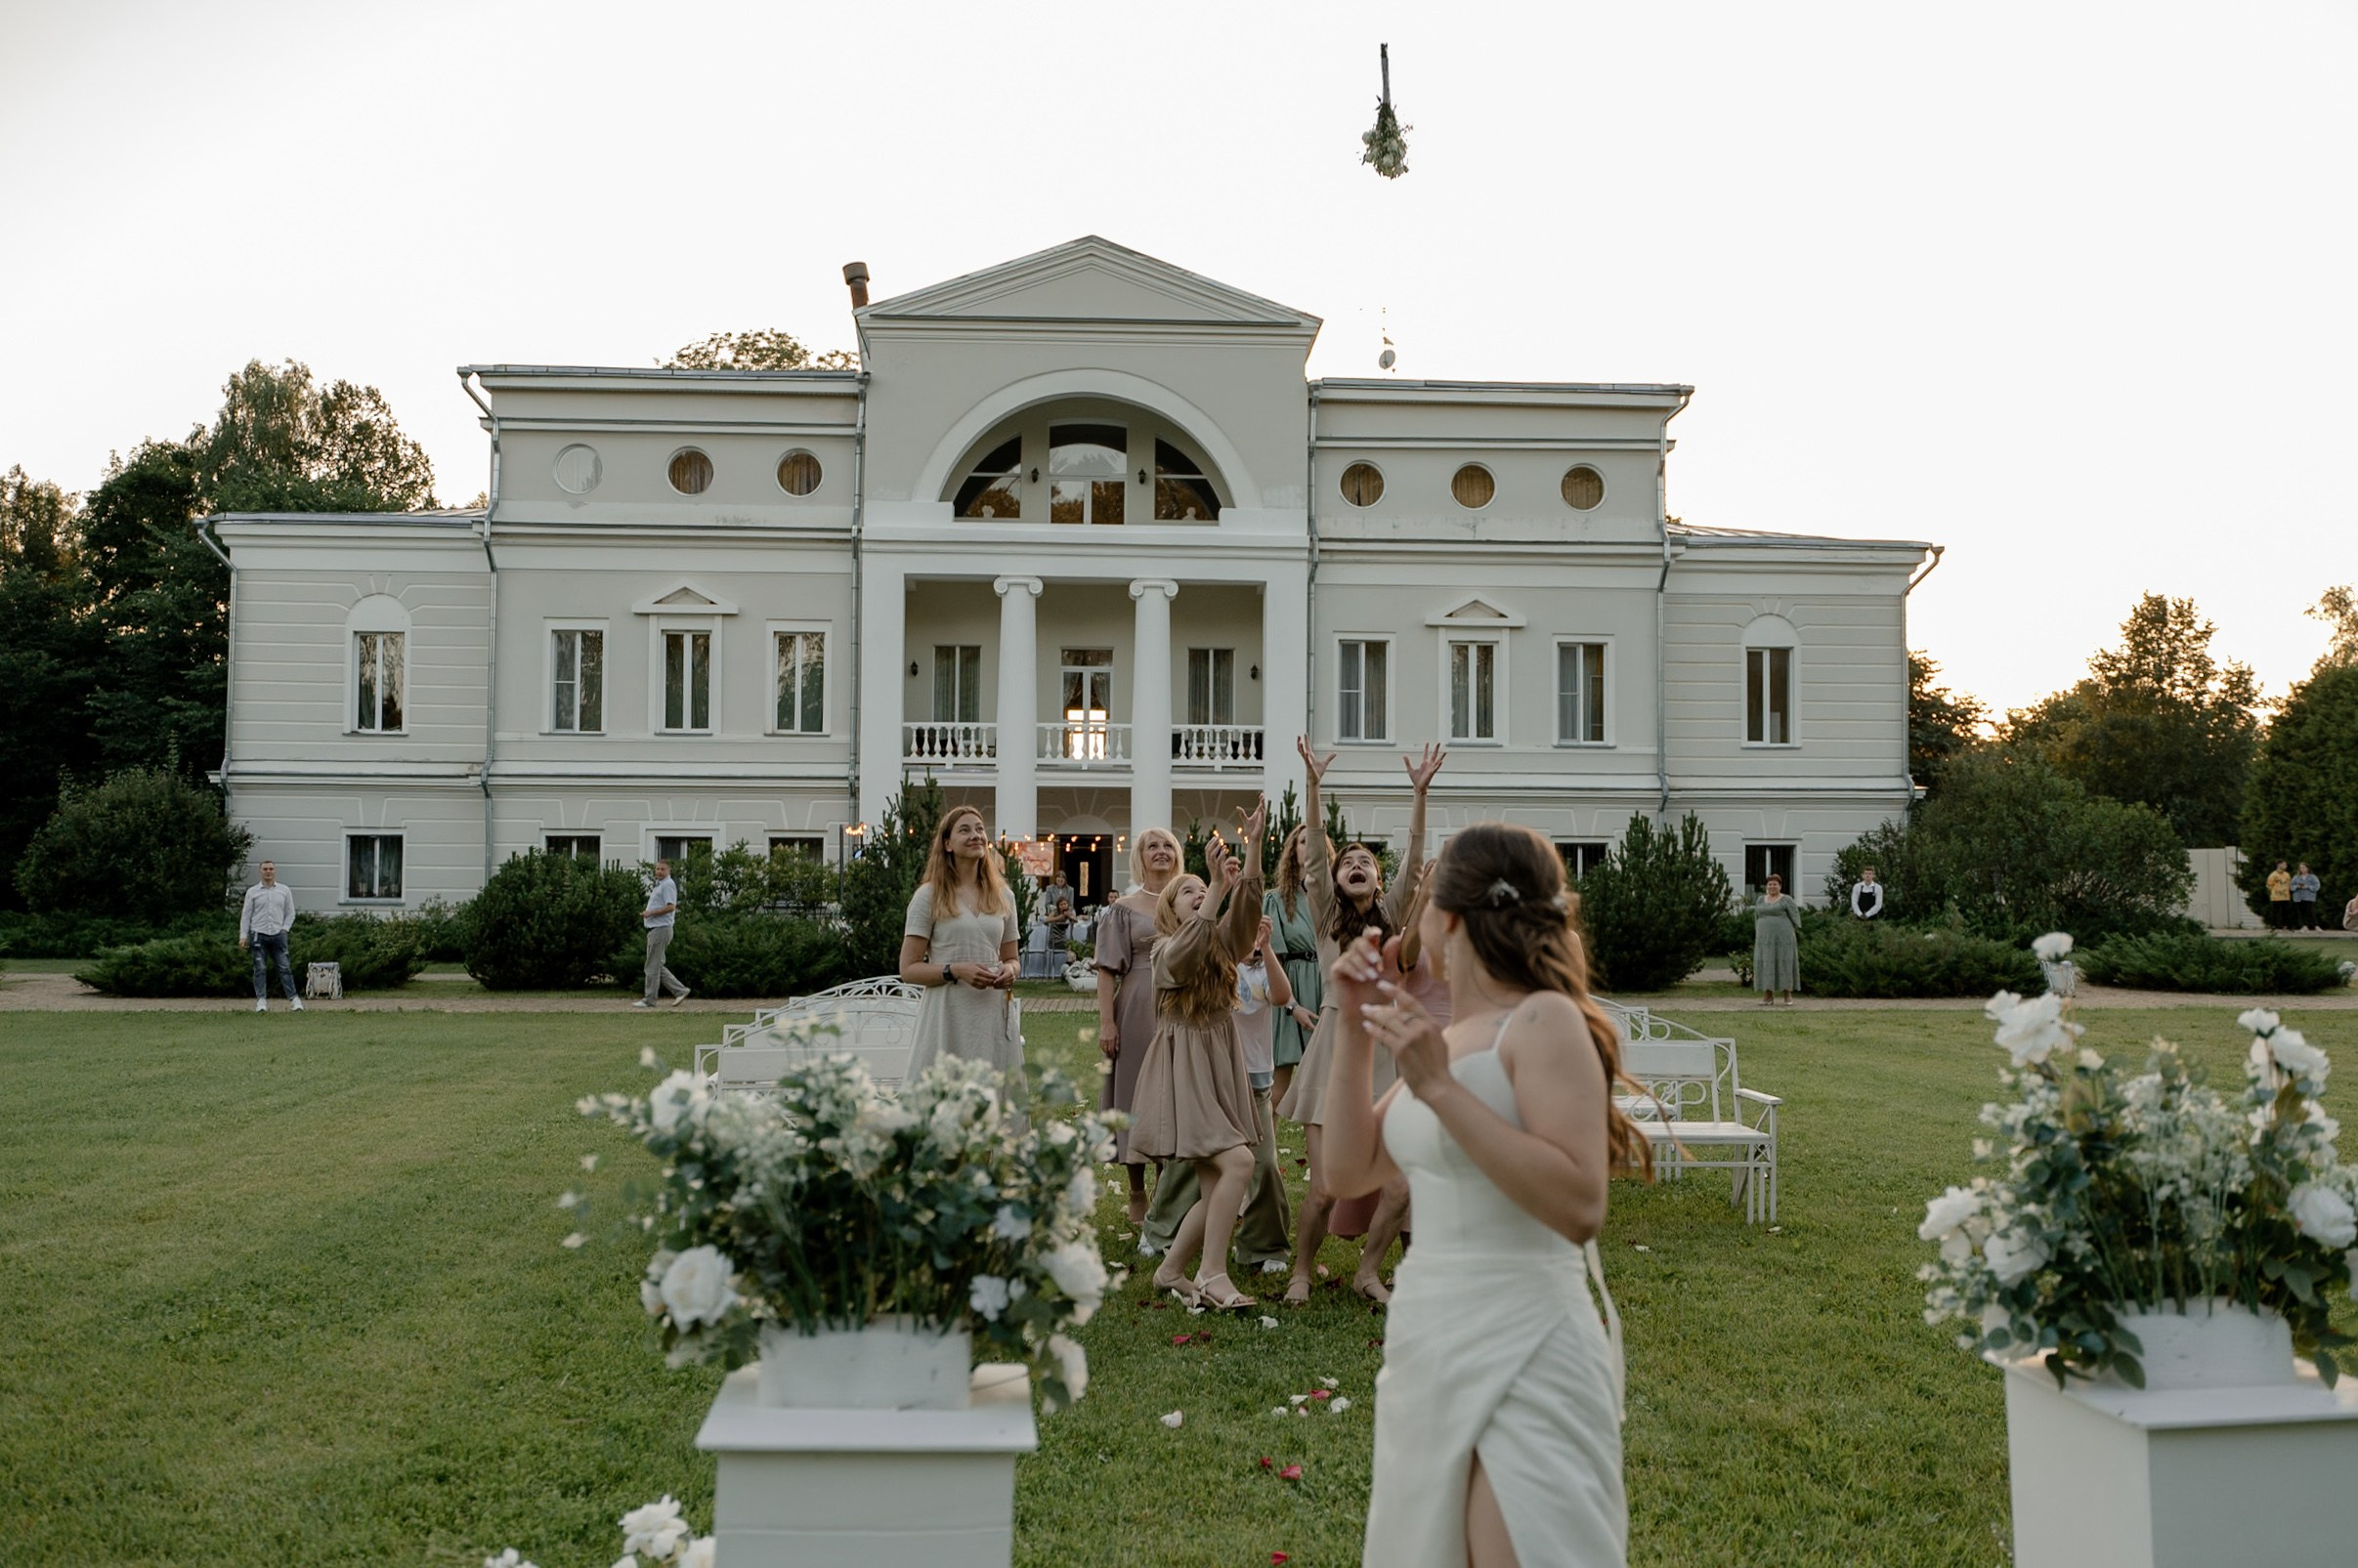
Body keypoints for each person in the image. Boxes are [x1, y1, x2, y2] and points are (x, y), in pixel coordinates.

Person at [1323, 823, 1650, 1568]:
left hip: (1524, 1334)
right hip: (1429, 1336)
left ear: (1447, 917)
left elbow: (1578, 1204)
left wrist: (1436, 1086)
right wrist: (1350, 1027)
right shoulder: (1451, 1034)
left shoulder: (1542, 1020)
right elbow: (1348, 1172)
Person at [1277, 738, 1442, 1307]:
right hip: (1333, 1049)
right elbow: (1316, 855)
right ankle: (1301, 1269)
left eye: (1365, 863)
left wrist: (1419, 793)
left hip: (1389, 1056)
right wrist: (1314, 786)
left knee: (1400, 1184)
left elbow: (1416, 862)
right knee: (1323, 1188)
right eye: (1347, 862)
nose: (1352, 866)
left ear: (1379, 880)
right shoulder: (1325, 918)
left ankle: (1368, 1272)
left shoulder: (1395, 917)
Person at [1128, 798, 1271, 1311]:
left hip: (1217, 1059)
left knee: (1216, 1186)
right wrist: (1213, 886)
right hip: (1184, 1067)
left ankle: (1170, 1271)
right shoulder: (1162, 950)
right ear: (1170, 909)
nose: (1197, 894)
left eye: (1200, 888)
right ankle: (1212, 1273)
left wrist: (1252, 849)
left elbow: (1247, 913)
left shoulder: (1218, 945)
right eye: (1186, 891)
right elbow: (1188, 949)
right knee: (1237, 1163)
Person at [899, 806, 1022, 1096]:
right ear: (947, 843)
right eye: (964, 830)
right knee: (945, 1104)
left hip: (992, 1012)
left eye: (979, 829)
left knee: (994, 1104)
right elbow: (908, 969)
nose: (975, 835)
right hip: (947, 1014)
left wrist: (1010, 971)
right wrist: (954, 970)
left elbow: (1012, 958)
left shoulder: (1004, 895)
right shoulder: (928, 896)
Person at [1097, 826, 1182, 1230]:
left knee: (1173, 1093)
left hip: (1182, 1007)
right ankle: (1136, 1188)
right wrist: (1107, 1022)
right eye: (1153, 846)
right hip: (1135, 1007)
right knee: (1133, 1093)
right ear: (1140, 857)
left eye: (1168, 846)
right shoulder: (1124, 908)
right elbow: (1105, 972)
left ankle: (1168, 1188)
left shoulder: (1189, 902)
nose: (1161, 852)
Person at [1231, 913, 1296, 1276]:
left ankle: (1266, 1242)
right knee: (1192, 1161)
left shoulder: (1258, 972)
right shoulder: (1220, 962)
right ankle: (1166, 1231)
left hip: (1256, 1081)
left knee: (1265, 1164)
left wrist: (1267, 949)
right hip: (1218, 1079)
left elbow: (1283, 995)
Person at [1265, 826, 1323, 1109]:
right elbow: (1272, 958)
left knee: (1329, 1082)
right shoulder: (1275, 900)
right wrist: (1291, 1005)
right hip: (1290, 985)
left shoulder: (1336, 897)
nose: (1311, 846)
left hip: (1328, 985)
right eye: (1304, 841)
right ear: (1293, 851)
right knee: (1279, 1084)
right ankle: (1265, 1152)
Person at [237, 859, 303, 1014]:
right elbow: (246, 915)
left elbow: (290, 913)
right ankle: (261, 1001)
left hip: (278, 935)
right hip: (258, 934)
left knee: (284, 967)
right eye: (265, 869)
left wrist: (284, 929)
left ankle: (294, 1000)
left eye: (271, 869)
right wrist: (243, 935)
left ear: (275, 871)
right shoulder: (252, 892)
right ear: (260, 871)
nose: (268, 872)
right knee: (259, 968)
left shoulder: (284, 890)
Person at [633, 859, 692, 1009]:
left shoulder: (668, 885)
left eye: (662, 869)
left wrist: (650, 913)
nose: (659, 871)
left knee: (651, 965)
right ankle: (680, 990)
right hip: (656, 929)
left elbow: (671, 907)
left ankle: (649, 999)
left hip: (661, 928)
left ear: (668, 871)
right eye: (657, 868)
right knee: (656, 964)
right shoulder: (661, 885)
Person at [1752, 874, 1801, 1006]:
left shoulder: (1787, 900)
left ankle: (1787, 994)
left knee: (1784, 962)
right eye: (1770, 884)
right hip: (1764, 939)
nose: (1772, 886)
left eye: (1775, 884)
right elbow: (1756, 916)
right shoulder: (1760, 900)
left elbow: (1795, 917)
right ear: (1766, 886)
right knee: (1766, 963)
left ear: (1780, 886)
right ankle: (1768, 995)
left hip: (1783, 938)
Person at [1043, 869, 1077, 955]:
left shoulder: (1070, 890)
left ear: (1065, 880)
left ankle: (1071, 963)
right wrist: (1057, 912)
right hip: (1054, 912)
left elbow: (1071, 905)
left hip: (1066, 915)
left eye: (1062, 879)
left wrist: (1068, 914)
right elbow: (1047, 904)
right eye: (1058, 878)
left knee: (1074, 945)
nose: (1060, 880)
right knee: (1070, 946)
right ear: (1055, 879)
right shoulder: (1050, 888)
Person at [2290, 863, 2321, 930]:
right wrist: (2297, 886)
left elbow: (2317, 886)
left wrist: (2308, 887)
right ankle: (2304, 926)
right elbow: (2291, 886)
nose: (2302, 869)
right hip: (2298, 897)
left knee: (2310, 911)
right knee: (2301, 912)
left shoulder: (2313, 877)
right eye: (2301, 868)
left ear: (2307, 868)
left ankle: (2316, 925)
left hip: (2309, 897)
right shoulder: (2296, 877)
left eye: (2304, 867)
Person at [2266, 862, 2293, 930]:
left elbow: (2289, 884)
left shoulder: (2287, 875)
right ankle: (2274, 926)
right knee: (2275, 912)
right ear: (2279, 865)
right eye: (2284, 864)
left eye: (2286, 865)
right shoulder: (2273, 875)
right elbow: (2269, 886)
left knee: (2285, 912)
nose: (2286, 866)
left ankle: (2285, 926)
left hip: (2285, 896)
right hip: (2276, 897)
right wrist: (2275, 891)